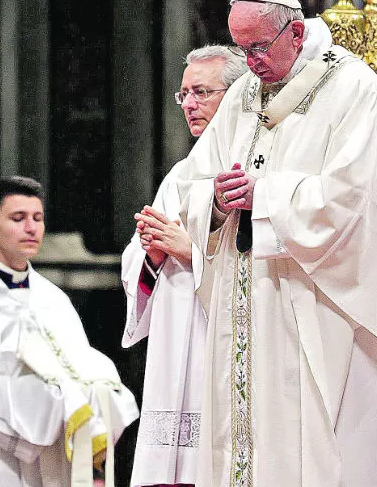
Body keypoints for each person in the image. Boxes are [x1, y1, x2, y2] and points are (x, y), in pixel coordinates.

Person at [174, 0, 377, 486]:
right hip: (250, 301)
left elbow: (354, 200)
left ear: (294, 31)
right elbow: (192, 179)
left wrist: (263, 197)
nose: (250, 63)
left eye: (258, 47)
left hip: (321, 299)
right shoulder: (245, 92)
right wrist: (218, 200)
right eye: (241, 49)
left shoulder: (355, 91)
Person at [0, 176, 139, 486]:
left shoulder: (54, 298)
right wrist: (27, 435)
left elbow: (76, 369)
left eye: (37, 218)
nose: (31, 228)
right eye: (18, 218)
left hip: (54, 455)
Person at [121, 46, 246, 487]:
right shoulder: (180, 175)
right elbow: (137, 263)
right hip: (177, 338)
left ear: (236, 95)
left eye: (201, 92)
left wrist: (188, 251)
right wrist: (151, 255)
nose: (189, 104)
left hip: (225, 342)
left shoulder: (248, 168)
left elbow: (262, 265)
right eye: (183, 95)